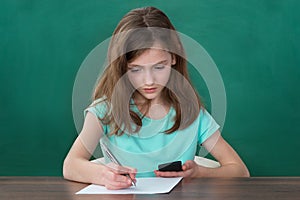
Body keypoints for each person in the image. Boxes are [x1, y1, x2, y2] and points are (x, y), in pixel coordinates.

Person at [63, 6, 249, 190]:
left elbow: (239, 170)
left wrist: (200, 172)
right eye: (135, 70)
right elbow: (71, 165)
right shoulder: (104, 111)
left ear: (173, 58)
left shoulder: (191, 111)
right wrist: (103, 174)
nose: (149, 81)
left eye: (159, 67)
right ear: (121, 68)